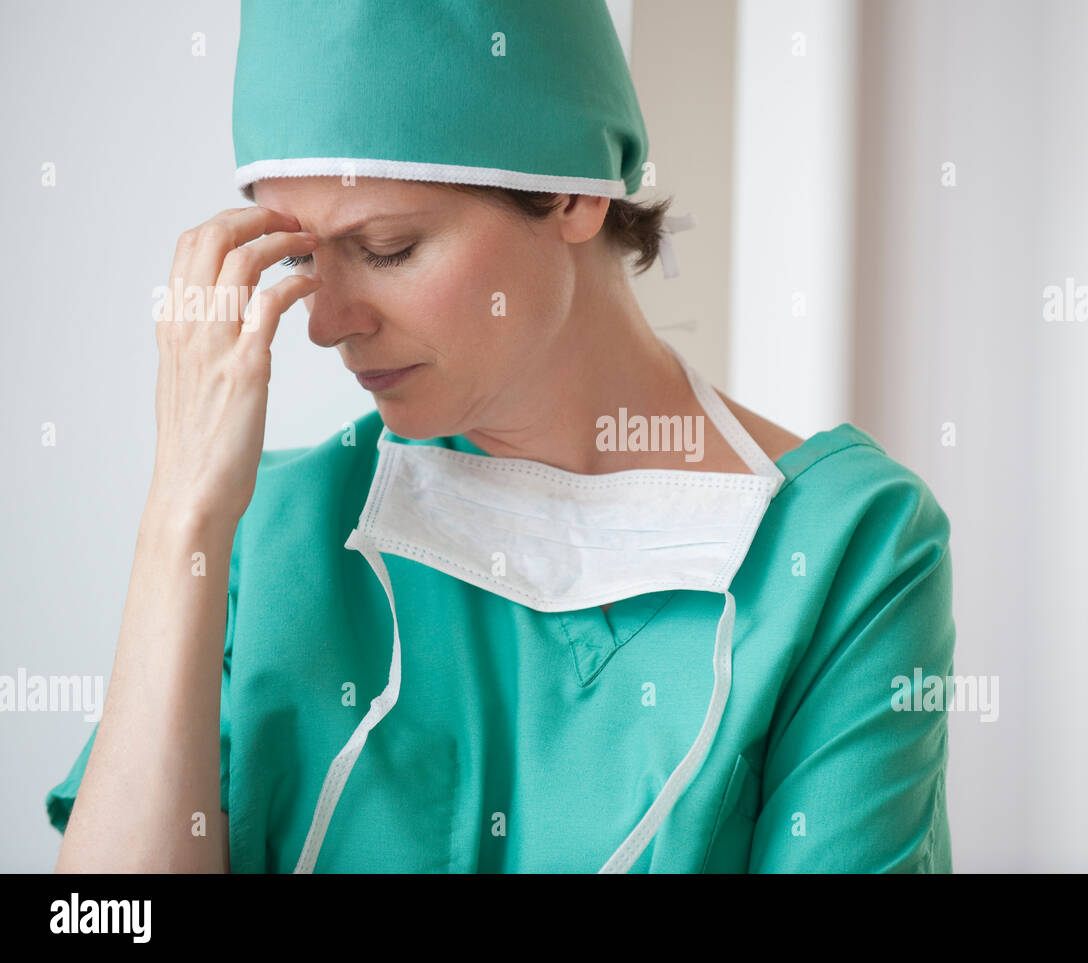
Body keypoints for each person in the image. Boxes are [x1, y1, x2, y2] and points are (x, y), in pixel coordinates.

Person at [46, 0, 956, 873]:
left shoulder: (844, 553)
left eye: (389, 248)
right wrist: (182, 512)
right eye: (301, 258)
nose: (325, 322)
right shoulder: (266, 536)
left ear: (568, 192)